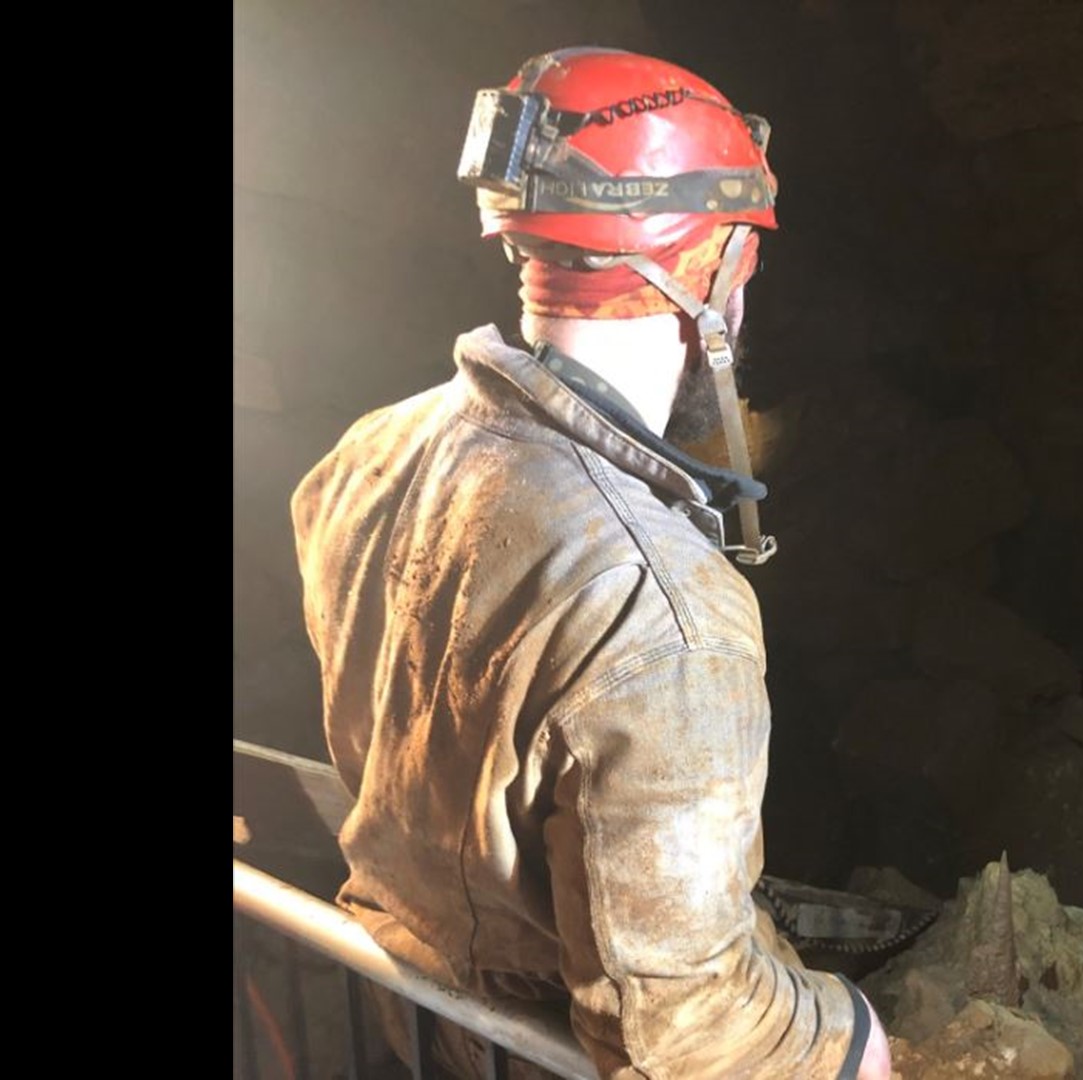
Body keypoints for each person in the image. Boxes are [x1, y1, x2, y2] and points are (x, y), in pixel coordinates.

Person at [291, 47, 891, 1079]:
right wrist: (849, 1042)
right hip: (529, 1053)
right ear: (710, 266)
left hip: (397, 1007)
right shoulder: (665, 615)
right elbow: (687, 1036)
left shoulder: (370, 453)